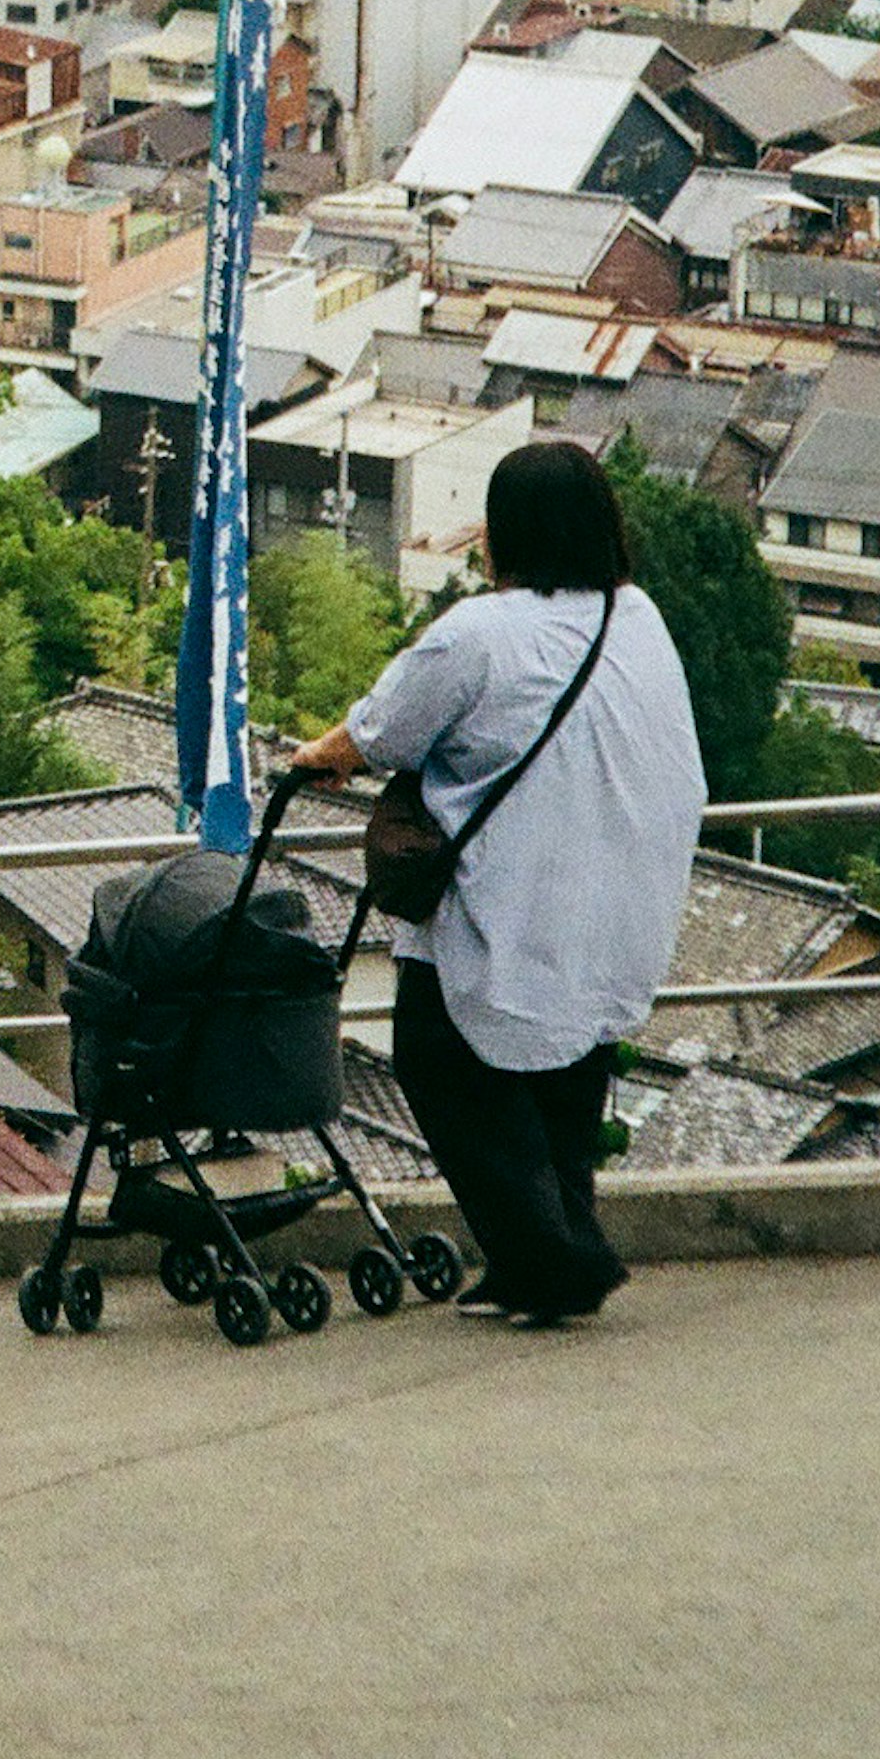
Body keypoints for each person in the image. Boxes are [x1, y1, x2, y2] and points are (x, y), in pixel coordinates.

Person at [289, 438, 705, 1327]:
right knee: (563, 1084)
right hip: (615, 893)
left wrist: (313, 757)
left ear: (507, 532)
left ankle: (557, 1260)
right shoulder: (638, 617)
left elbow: (380, 733)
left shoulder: (477, 632)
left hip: (508, 893)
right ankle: (541, 1258)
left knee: (443, 1063)